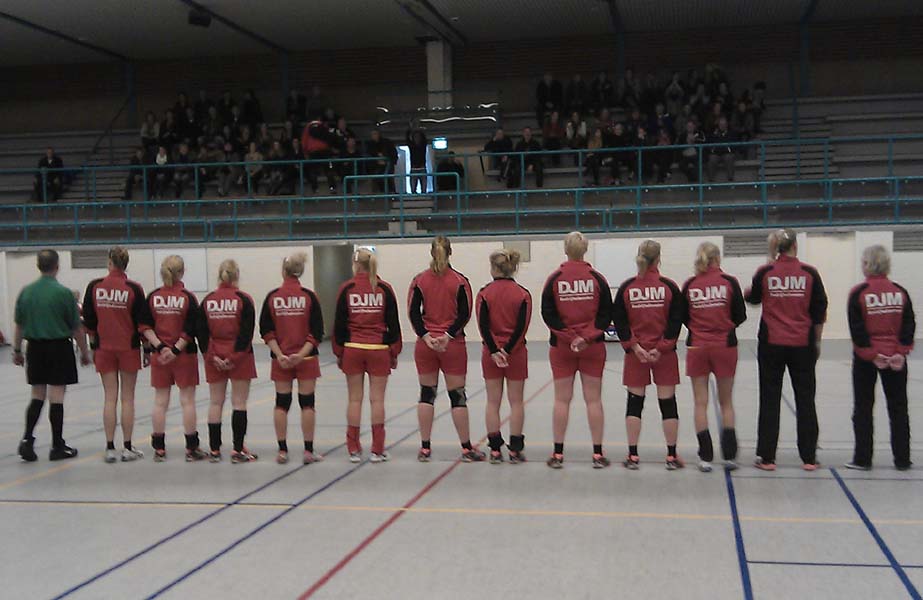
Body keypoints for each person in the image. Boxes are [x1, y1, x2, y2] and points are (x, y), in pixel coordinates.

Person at [745, 228, 828, 471]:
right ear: (795, 246)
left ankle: (767, 457)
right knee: (806, 399)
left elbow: (753, 298)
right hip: (802, 344)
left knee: (770, 398)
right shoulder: (809, 273)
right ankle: (809, 457)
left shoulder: (766, 272)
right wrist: (817, 341)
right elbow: (819, 310)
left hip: (772, 344)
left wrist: (751, 288)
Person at [408, 237, 484, 463]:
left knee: (427, 394)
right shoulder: (460, 281)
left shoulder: (419, 280)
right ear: (451, 252)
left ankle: (425, 448)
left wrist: (426, 335)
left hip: (426, 345)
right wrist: (448, 335)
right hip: (452, 345)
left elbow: (413, 312)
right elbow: (465, 313)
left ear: (431, 253)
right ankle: (466, 448)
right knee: (457, 396)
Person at [542, 232, 613, 469]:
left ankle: (558, 454)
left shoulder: (554, 279)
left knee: (561, 400)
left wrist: (570, 337)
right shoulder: (597, 279)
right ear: (585, 250)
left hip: (562, 348)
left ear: (565, 250)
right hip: (593, 348)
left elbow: (548, 314)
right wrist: (586, 337)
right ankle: (597, 454)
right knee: (594, 400)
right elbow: (606, 314)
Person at [612, 240, 685, 470]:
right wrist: (661, 347)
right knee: (668, 404)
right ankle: (671, 457)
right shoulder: (669, 287)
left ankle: (633, 456)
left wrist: (635, 347)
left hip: (637, 355)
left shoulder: (627, 287)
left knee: (634, 404)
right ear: (659, 259)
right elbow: (676, 321)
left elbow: (620, 321)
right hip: (664, 355)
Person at [13, 250, 89, 462]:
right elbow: (76, 328)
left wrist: (17, 350)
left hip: (35, 347)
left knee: (37, 394)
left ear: (38, 265)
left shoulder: (26, 292)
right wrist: (84, 352)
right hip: (59, 347)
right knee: (57, 395)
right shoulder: (63, 293)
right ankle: (57, 445)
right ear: (57, 266)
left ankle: (27, 439)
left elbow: (19, 325)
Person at [846, 245, 915, 471]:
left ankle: (863, 459)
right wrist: (900, 352)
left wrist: (871, 354)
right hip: (895, 359)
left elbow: (857, 329)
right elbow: (909, 324)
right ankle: (902, 459)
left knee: (863, 408)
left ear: (867, 265)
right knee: (899, 408)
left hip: (867, 359)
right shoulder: (900, 292)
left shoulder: (858, 293)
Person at [681, 243, 747, 472]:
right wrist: (723, 326)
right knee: (726, 401)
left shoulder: (690, 285)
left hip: (697, 346)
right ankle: (729, 455)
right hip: (724, 346)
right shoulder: (729, 282)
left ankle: (705, 456)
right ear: (717, 259)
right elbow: (740, 315)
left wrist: (700, 329)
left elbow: (684, 316)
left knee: (700, 402)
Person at [333, 248, 402, 463]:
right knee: (377, 400)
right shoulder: (384, 289)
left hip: (353, 347)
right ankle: (377, 450)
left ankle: (353, 449)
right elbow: (393, 323)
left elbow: (339, 324)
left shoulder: (347, 289)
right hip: (378, 348)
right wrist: (394, 350)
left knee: (354, 399)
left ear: (355, 265)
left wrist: (339, 351)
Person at [138, 255, 208, 462]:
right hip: (184, 355)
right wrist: (175, 350)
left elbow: (144, 326)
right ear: (182, 272)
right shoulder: (187, 297)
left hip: (160, 356)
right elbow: (191, 328)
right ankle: (191, 447)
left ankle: (159, 448)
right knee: (187, 401)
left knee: (160, 401)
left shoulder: (153, 297)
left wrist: (160, 347)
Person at [82, 247, 147, 463]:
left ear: (110, 263)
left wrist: (93, 345)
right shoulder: (133, 289)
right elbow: (141, 321)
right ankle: (127, 447)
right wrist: (146, 349)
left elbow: (89, 320)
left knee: (110, 397)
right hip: (128, 347)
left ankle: (110, 447)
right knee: (128, 397)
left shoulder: (95, 286)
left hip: (104, 347)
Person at [259, 253, 325, 465]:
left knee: (282, 403)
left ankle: (282, 450)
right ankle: (308, 451)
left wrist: (280, 354)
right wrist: (301, 355)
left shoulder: (272, 297)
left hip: (281, 360)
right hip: (306, 359)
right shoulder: (309, 297)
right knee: (307, 404)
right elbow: (317, 331)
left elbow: (266, 330)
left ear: (283, 271)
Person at [198, 259, 259, 463]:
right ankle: (238, 449)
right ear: (236, 276)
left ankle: (214, 449)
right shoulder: (244, 299)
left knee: (215, 402)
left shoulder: (208, 300)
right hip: (240, 357)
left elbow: (202, 334)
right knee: (239, 402)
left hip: (215, 355)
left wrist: (212, 356)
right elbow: (247, 333)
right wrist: (234, 357)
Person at [476, 249, 532, 463]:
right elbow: (522, 327)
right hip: (516, 354)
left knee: (493, 401)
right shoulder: (523, 294)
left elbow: (483, 325)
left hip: (491, 355)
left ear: (493, 268)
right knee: (516, 402)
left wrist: (494, 351)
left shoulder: (484, 294)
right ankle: (515, 449)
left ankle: (495, 449)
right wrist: (507, 350)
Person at [366, 129, 398, 194]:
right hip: (376, 167)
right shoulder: (370, 145)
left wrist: (386, 158)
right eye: (372, 134)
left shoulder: (387, 143)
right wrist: (376, 160)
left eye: (375, 134)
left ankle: (391, 192)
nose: (374, 136)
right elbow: (368, 155)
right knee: (377, 179)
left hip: (387, 165)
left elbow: (393, 154)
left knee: (388, 179)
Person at [707, 116, 737, 182]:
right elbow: (710, 143)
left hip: (727, 153)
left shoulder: (731, 133)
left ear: (727, 125)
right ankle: (710, 181)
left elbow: (733, 145)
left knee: (729, 157)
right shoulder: (714, 133)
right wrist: (716, 135)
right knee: (712, 159)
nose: (722, 126)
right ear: (718, 125)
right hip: (716, 153)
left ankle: (730, 179)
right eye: (721, 124)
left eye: (724, 124)